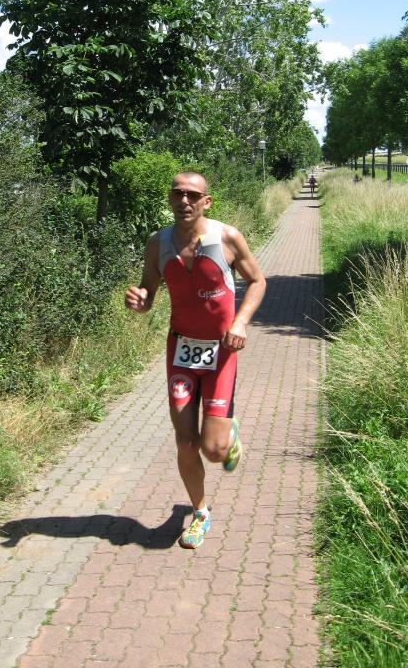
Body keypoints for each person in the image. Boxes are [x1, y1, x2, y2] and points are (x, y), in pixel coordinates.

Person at [125, 172, 266, 549]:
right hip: (181, 352)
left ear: (207, 202)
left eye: (192, 195)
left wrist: (240, 321)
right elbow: (149, 290)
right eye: (178, 194)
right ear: (170, 199)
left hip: (221, 352)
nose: (184, 201)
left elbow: (258, 281)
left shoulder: (227, 237)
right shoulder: (158, 243)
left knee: (213, 450)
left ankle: (228, 436)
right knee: (186, 443)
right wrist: (140, 300)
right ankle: (200, 513)